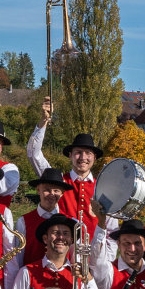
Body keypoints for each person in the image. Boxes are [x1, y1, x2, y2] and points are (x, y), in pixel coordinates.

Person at [27, 99, 101, 235]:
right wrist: (43, 122)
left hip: (94, 253)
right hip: (62, 251)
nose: (83, 157)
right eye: (78, 152)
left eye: (88, 153)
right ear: (70, 155)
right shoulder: (59, 181)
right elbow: (33, 154)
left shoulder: (102, 188)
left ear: (94, 158)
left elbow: (109, 228)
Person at [90, 219, 145, 289]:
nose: (132, 249)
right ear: (118, 244)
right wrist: (101, 224)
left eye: (137, 243)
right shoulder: (109, 272)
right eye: (127, 243)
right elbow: (97, 257)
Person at [14, 168, 71, 269]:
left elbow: (74, 255)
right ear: (38, 190)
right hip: (32, 278)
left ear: (62, 193)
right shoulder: (23, 221)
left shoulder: (70, 222)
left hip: (62, 279)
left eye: (56, 190)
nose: (52, 194)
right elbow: (18, 257)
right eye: (47, 190)